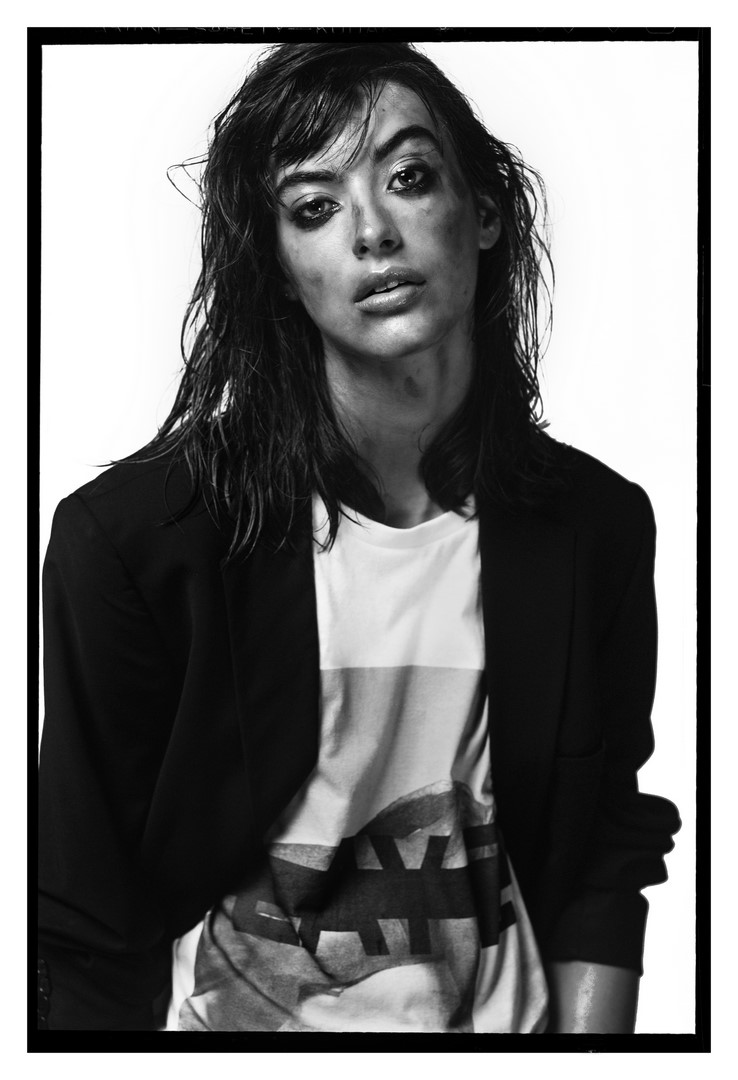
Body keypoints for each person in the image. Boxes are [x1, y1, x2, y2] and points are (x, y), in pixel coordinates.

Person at [38, 41, 680, 1033]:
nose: (373, 231)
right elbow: (81, 916)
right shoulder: (138, 544)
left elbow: (602, 850)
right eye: (314, 207)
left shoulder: (594, 525)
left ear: (485, 212)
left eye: (409, 178)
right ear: (281, 271)